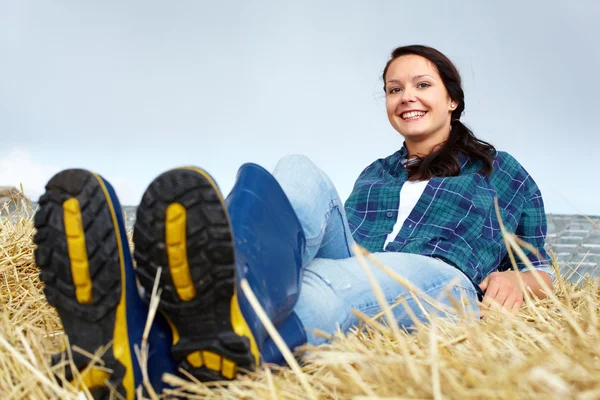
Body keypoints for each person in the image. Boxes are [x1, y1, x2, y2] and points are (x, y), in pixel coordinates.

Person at [33, 45, 554, 398]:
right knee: (297, 169)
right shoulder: (376, 173)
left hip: (439, 279)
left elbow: (541, 264)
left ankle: (150, 344)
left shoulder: (498, 170)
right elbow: (326, 235)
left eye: (421, 84)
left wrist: (522, 275)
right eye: (394, 89)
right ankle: (222, 295)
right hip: (359, 259)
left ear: (452, 98)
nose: (406, 97)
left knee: (329, 285)